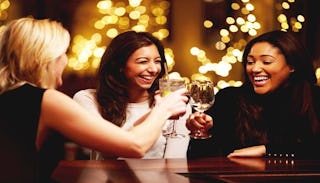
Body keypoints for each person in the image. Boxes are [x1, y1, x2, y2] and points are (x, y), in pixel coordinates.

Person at [0, 17, 188, 183]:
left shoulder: (10, 96)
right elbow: (135, 146)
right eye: (63, 53)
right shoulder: (46, 100)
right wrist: (164, 108)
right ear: (42, 59)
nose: (65, 60)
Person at [186, 30, 320, 159]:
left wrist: (266, 150)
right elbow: (201, 159)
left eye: (266, 62)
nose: (255, 69)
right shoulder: (229, 99)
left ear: (292, 65)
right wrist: (203, 132)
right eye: (250, 62)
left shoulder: (314, 98)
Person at [73, 31, 191, 159]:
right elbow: (107, 152)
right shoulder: (88, 99)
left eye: (157, 61)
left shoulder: (174, 103)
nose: (153, 69)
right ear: (120, 66)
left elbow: (174, 161)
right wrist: (160, 111)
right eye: (143, 61)